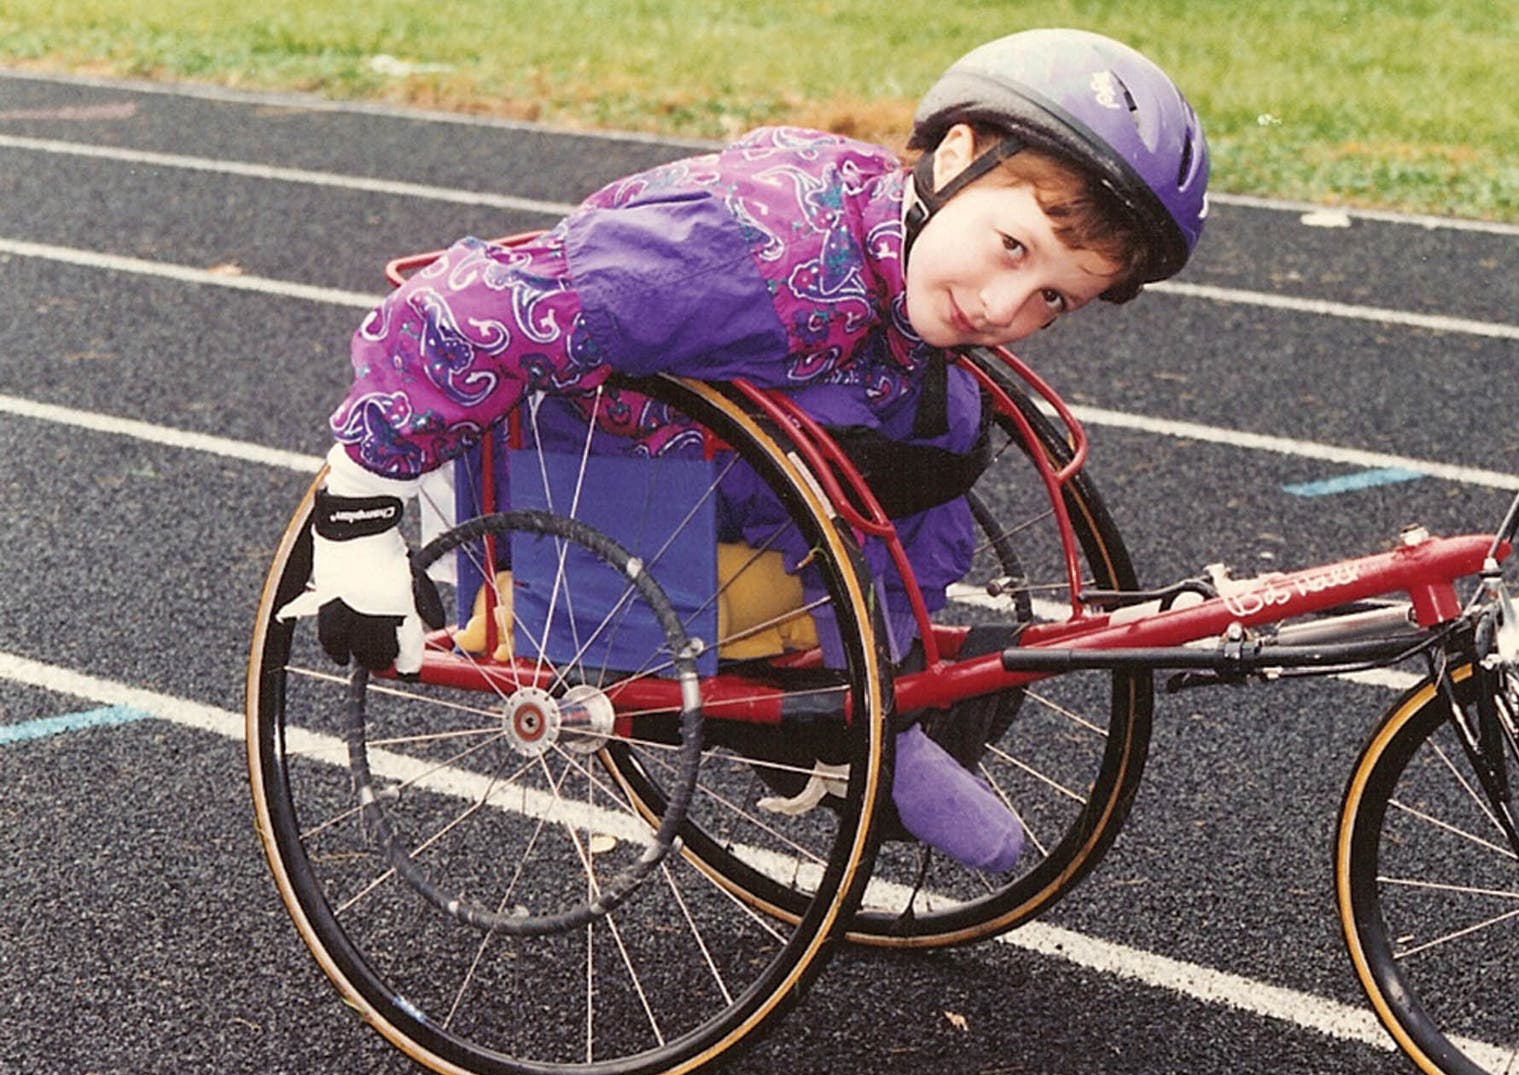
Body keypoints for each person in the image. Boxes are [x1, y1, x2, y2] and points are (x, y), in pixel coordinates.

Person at [277, 27, 1209, 873]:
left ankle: (868, 707)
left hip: (691, 475)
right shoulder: (745, 253)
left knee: (939, 426)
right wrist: (358, 520)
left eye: (1055, 298)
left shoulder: (891, 260)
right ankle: (841, 720)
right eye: (1014, 248)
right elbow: (461, 307)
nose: (1009, 308)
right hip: (554, 508)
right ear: (957, 157)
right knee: (888, 426)